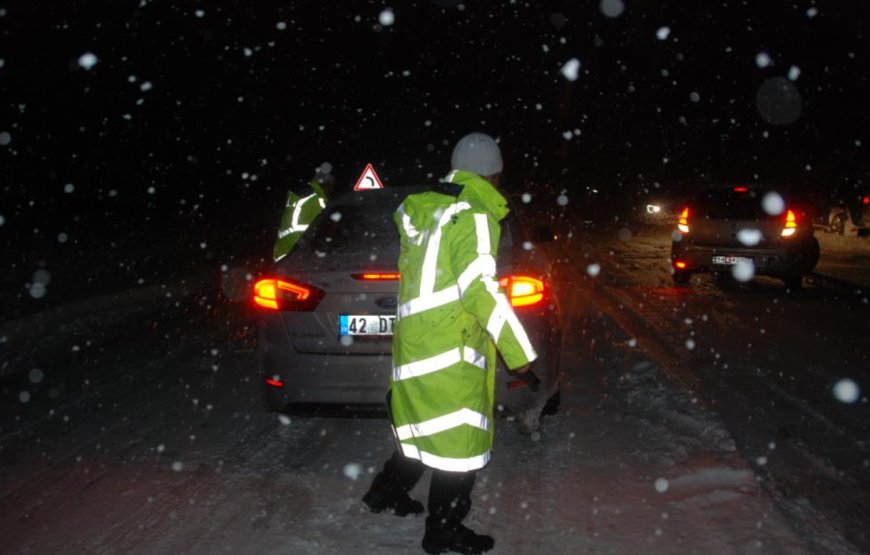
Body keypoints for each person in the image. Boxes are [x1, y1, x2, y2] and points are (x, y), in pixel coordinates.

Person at [363, 132, 541, 554]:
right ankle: (443, 531)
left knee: (421, 431)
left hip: (415, 348)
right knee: (459, 451)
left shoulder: (428, 211)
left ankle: (383, 494)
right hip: (449, 354)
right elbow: (480, 291)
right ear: (493, 173)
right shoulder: (474, 216)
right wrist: (518, 355)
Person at [272, 162, 335, 262]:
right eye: (331, 186)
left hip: (283, 253)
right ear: (326, 184)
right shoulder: (317, 200)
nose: (331, 190)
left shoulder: (303, 196)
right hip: (294, 257)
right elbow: (325, 227)